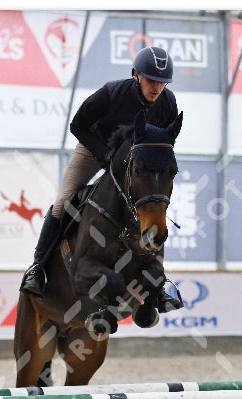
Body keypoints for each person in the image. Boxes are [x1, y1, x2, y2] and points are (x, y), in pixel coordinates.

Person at [20, 46, 183, 313]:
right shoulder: (112, 93)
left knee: (149, 207)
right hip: (95, 150)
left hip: (133, 163)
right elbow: (78, 125)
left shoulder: (168, 103)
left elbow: (163, 142)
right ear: (136, 75)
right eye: (151, 79)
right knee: (64, 201)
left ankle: (158, 283)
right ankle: (37, 268)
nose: (156, 87)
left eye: (162, 82)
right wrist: (105, 154)